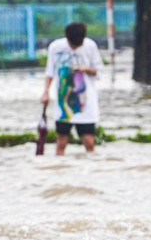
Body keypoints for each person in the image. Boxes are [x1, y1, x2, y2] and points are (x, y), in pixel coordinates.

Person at [39, 21, 104, 154]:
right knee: (61, 142)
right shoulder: (55, 47)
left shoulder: (90, 46)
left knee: (89, 141)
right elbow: (50, 72)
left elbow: (99, 71)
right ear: (66, 37)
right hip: (63, 101)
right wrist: (46, 92)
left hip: (85, 103)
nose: (75, 47)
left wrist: (85, 69)